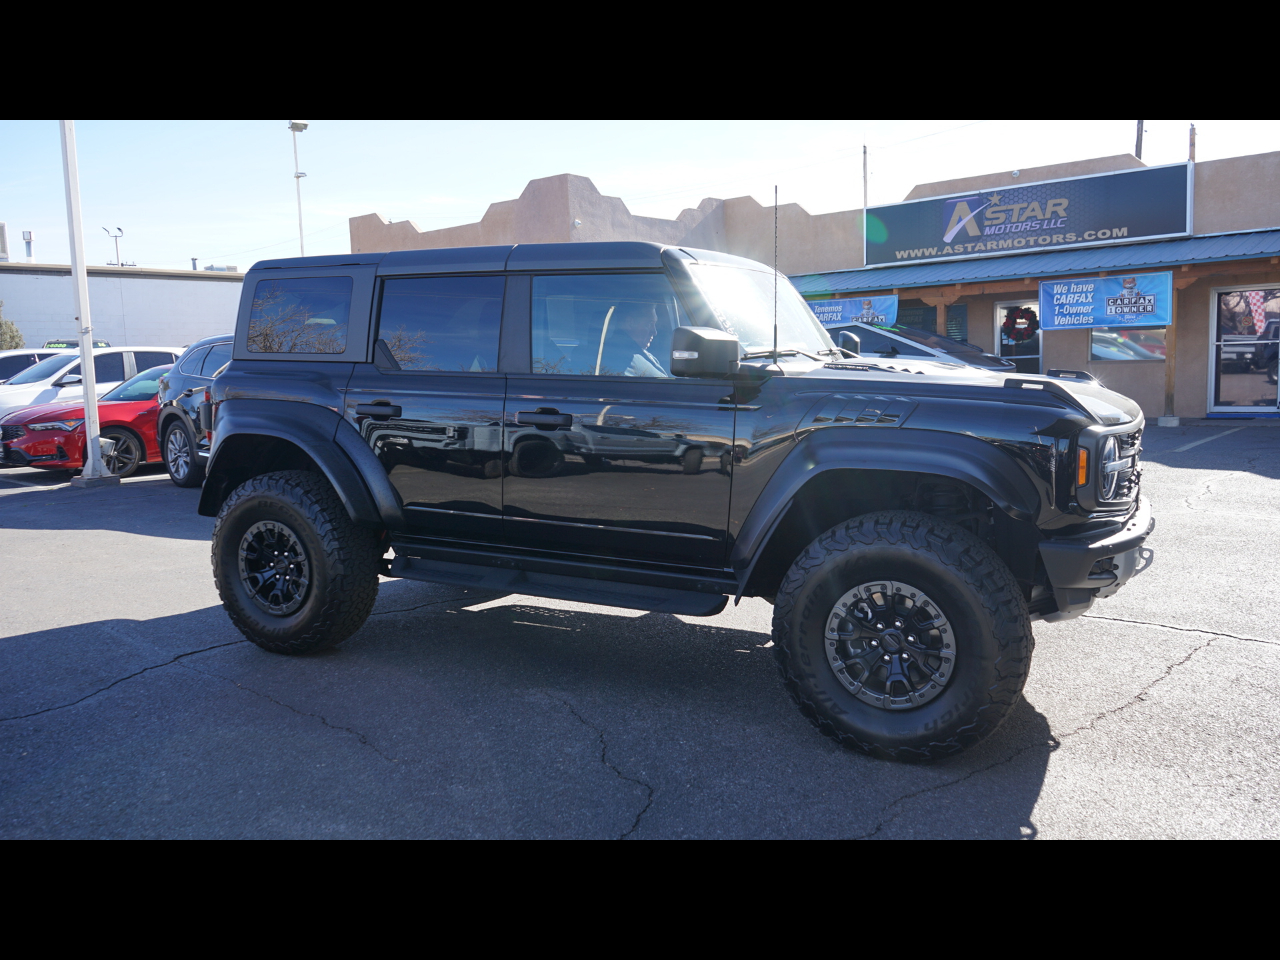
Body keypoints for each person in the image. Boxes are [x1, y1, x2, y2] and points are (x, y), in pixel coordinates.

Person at [595, 302, 668, 377]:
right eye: (649, 324)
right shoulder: (618, 358)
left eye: (654, 324)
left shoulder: (638, 353)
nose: (654, 332)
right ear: (630, 322)